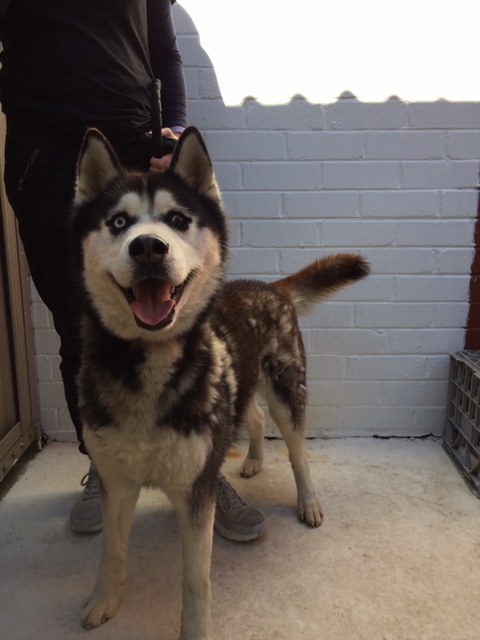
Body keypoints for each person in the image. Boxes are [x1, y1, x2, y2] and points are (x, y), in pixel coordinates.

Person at [0, 0, 266, 542]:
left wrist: (172, 131)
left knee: (183, 322)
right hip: (46, 160)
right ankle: (103, 469)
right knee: (81, 330)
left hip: (139, 150)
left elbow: (164, 51)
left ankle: (200, 469)